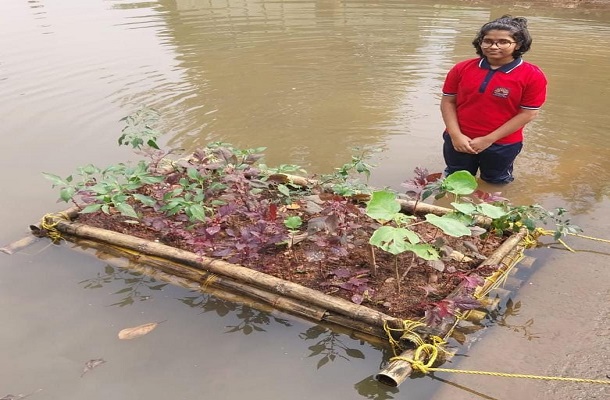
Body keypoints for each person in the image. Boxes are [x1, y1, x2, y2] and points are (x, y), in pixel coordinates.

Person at [440, 15, 547, 184]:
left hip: (502, 144)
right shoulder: (462, 68)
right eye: (487, 41)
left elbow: (528, 114)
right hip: (459, 139)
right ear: (480, 42)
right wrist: (455, 135)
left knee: (495, 183)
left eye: (503, 42)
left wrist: (488, 139)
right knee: (455, 180)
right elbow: (448, 102)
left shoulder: (532, 75)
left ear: (517, 44)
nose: (493, 46)